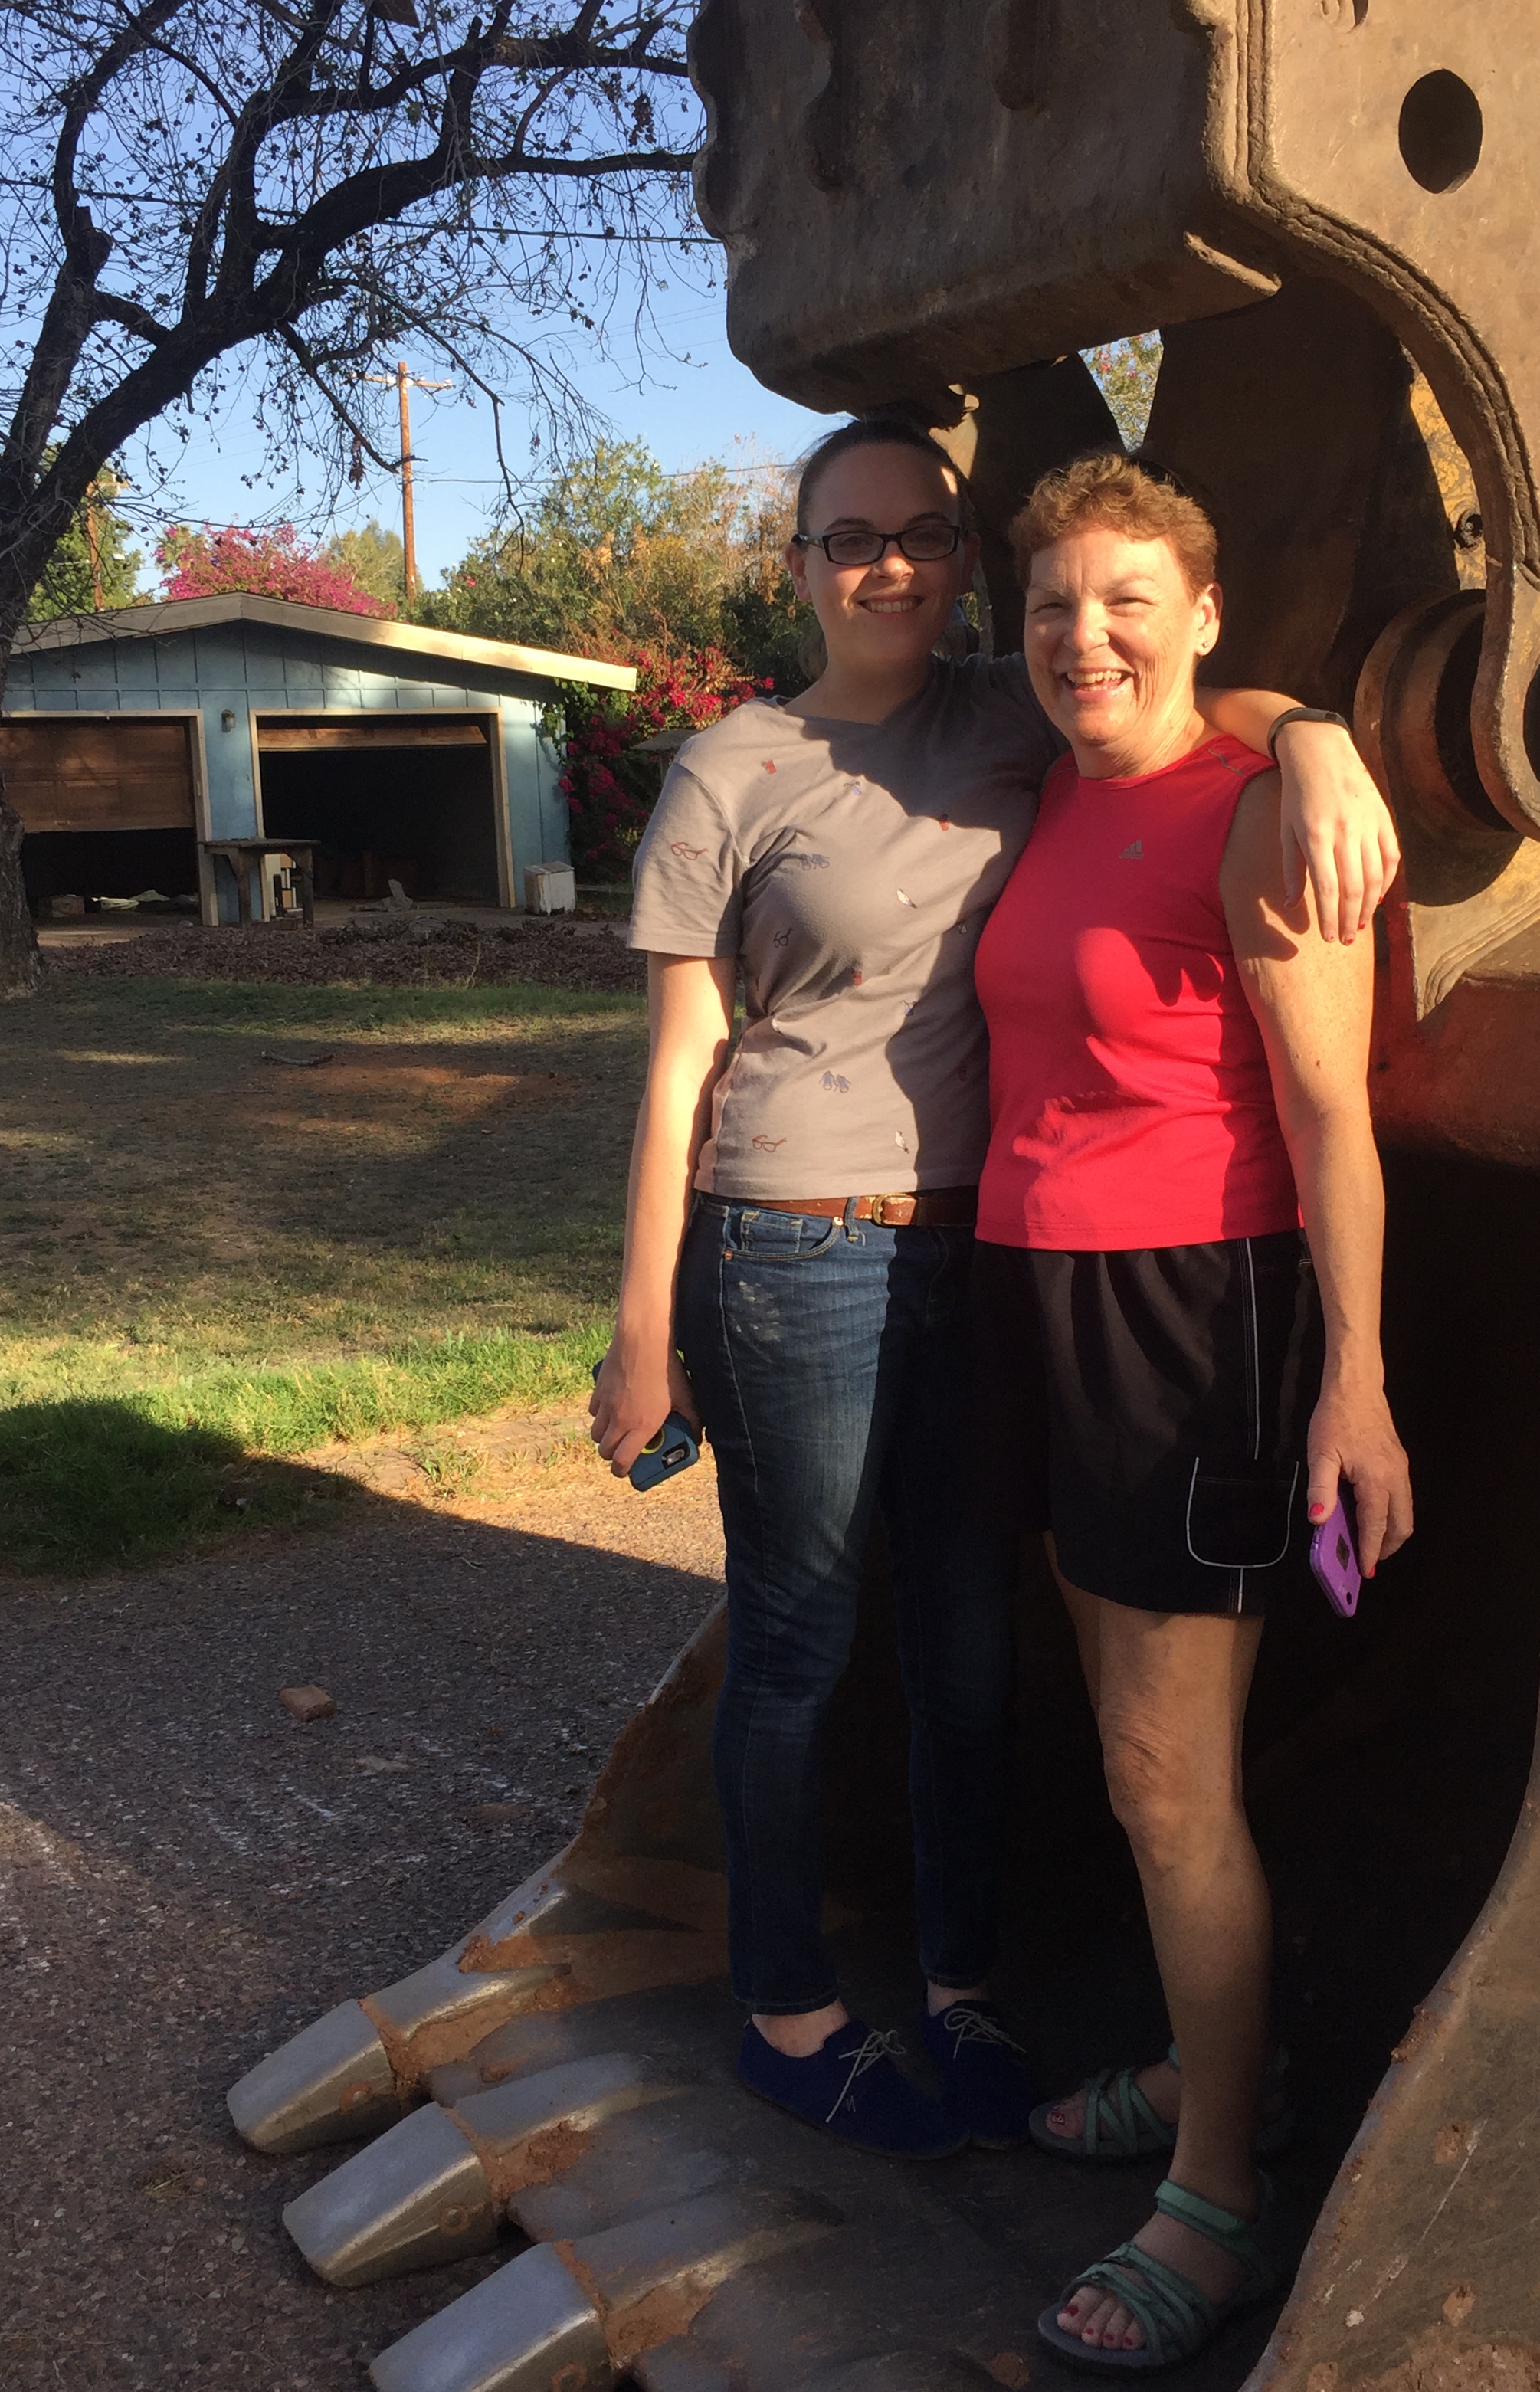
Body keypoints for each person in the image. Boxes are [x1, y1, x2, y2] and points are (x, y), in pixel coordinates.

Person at [588, 415, 1402, 2161]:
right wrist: (639, 1326)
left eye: (922, 534)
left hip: (1045, 1269)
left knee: (995, 1662)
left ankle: (993, 2011)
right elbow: (678, 1065)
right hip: (814, 1247)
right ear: (798, 568)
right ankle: (792, 2008)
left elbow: (1188, 710)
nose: (890, 564)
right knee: (812, 1636)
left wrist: (1321, 739)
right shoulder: (747, 764)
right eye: (847, 537)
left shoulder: (1016, 721)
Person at [966, 451, 1414, 2367]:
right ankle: (1208, 2075)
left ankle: (1218, 2197)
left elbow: (1335, 1126)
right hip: (1035, 1291)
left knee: (1172, 1781)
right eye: (1056, 602)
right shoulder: (1066, 777)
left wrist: (1360, 1390)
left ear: (1202, 612)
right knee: (1130, 1755)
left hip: (1187, 1313)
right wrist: (1299, 714)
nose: (1087, 635)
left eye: (1128, 599)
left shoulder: (1254, 821)